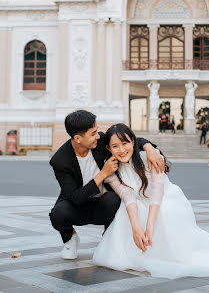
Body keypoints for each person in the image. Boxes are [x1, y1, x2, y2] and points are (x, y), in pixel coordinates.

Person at [93, 123, 209, 279]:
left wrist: (149, 227)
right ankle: (141, 249)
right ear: (109, 149)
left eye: (125, 143)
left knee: (164, 212)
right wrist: (136, 227)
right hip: (137, 201)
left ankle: (168, 251)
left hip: (164, 197)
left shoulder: (150, 156)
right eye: (115, 146)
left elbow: (158, 190)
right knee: (127, 212)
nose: (122, 150)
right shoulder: (110, 169)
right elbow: (126, 196)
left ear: (133, 141)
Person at [49, 110, 165, 260]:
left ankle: (107, 236)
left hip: (103, 203)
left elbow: (127, 140)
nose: (98, 136)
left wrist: (149, 148)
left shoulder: (99, 141)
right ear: (78, 138)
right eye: (93, 133)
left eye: (97, 131)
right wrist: (103, 174)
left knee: (113, 199)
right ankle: (70, 239)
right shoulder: (60, 160)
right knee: (57, 214)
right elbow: (75, 198)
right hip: (77, 205)